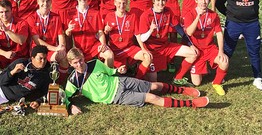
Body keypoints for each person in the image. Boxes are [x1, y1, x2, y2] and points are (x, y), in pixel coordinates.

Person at [65, 47, 209, 115]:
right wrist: (71, 107)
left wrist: (117, 71)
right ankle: (191, 104)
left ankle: (183, 90)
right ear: (71, 64)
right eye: (76, 63)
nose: (80, 64)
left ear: (84, 57)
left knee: (154, 86)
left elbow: (109, 72)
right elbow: (65, 97)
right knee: (152, 97)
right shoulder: (73, 81)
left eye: (81, 60)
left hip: (120, 82)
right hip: (115, 97)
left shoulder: (95, 63)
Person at [139, 0, 199, 83]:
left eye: (163, 0)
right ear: (153, 1)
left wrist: (190, 44)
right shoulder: (146, 15)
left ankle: (177, 78)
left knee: (193, 53)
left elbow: (179, 29)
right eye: (158, 0)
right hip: (152, 50)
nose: (161, 3)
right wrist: (150, 30)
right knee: (153, 81)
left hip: (166, 46)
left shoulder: (168, 11)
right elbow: (142, 39)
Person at [183, 0, 229, 95]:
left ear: (209, 1)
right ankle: (197, 67)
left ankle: (217, 83)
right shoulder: (190, 14)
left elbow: (219, 34)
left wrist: (221, 51)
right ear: (196, 0)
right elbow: (189, 32)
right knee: (197, 83)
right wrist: (198, 16)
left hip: (209, 48)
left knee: (224, 61)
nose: (203, 2)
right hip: (197, 50)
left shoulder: (213, 15)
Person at [104, 0, 152, 80]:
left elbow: (137, 34)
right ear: (114, 3)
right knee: (121, 73)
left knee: (147, 57)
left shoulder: (132, 16)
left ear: (127, 3)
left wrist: (143, 49)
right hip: (116, 51)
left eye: (124, 3)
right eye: (119, 3)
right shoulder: (109, 16)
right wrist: (106, 31)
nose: (121, 5)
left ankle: (137, 79)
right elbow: (104, 35)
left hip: (130, 48)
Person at [65, 0, 114, 67]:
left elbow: (100, 31)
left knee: (109, 54)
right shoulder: (71, 13)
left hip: (94, 46)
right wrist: (69, 30)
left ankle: (106, 76)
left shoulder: (95, 13)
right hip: (79, 48)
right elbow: (67, 33)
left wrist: (103, 44)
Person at [26, 0, 68, 84]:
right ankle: (37, 82)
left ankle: (59, 83)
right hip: (37, 49)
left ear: (51, 2)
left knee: (64, 57)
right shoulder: (31, 18)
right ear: (37, 2)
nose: (45, 3)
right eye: (43, 1)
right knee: (40, 59)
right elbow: (37, 41)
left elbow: (61, 35)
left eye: (48, 1)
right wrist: (56, 48)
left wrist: (62, 47)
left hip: (52, 50)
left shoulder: (56, 17)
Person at [0, 45, 51, 110]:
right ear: (32, 58)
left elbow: (47, 92)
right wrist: (13, 72)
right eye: (40, 58)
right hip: (2, 89)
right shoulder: (20, 63)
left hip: (9, 97)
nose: (43, 61)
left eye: (45, 58)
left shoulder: (45, 74)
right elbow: (1, 81)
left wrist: (38, 101)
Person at [0, 0, 29, 69]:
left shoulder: (21, 23)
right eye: (1, 12)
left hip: (18, 55)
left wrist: (7, 30)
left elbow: (21, 41)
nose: (4, 15)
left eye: (7, 11)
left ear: (11, 11)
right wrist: (5, 53)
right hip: (3, 55)